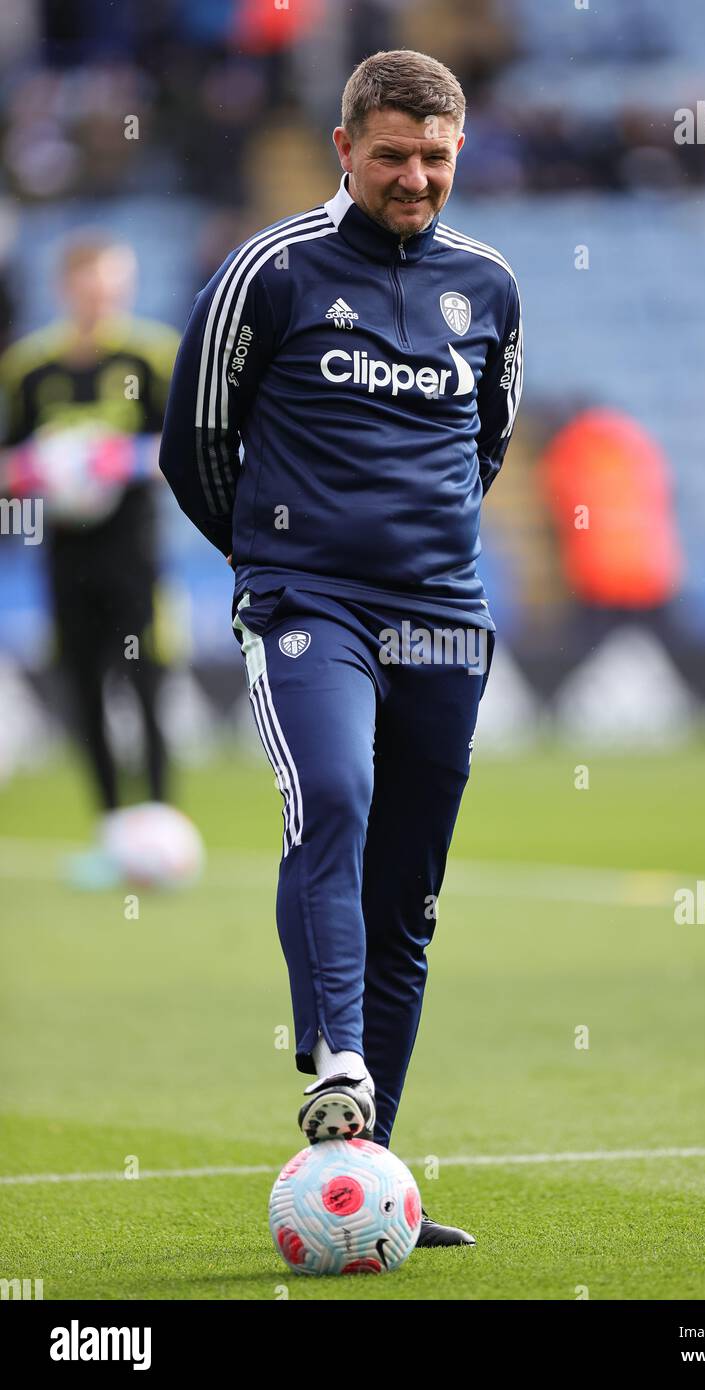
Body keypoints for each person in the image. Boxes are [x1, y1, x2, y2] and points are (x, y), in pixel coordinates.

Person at [159, 48, 524, 1247]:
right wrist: (277, 562)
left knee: (406, 900)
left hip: (443, 619)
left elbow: (485, 444)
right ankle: (336, 1056)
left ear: (456, 151)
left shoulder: (492, 286)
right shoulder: (267, 271)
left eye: (433, 157)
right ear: (343, 148)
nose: (413, 177)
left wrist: (422, 556)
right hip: (308, 601)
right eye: (391, 156)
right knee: (332, 791)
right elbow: (195, 446)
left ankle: (373, 1180)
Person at [0, 236, 178, 867]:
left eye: (112, 287)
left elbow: (183, 447)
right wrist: (37, 468)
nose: (102, 299)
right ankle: (111, 834)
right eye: (90, 286)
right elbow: (9, 459)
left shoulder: (152, 355)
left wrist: (119, 458)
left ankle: (159, 829)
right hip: (65, 553)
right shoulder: (29, 367)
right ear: (66, 289)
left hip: (133, 551)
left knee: (147, 682)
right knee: (81, 688)